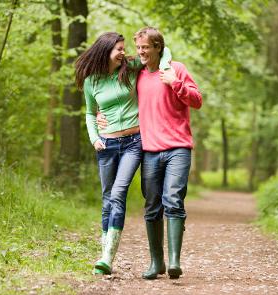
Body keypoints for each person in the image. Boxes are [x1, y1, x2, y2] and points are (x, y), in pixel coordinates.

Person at [98, 27, 202, 280]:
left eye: (146, 47)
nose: (141, 52)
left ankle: (175, 261)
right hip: (149, 150)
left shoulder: (176, 69)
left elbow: (197, 100)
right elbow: (117, 98)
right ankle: (157, 263)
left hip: (178, 147)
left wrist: (175, 83)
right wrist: (102, 115)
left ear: (158, 47)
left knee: (173, 199)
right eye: (139, 47)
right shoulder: (137, 74)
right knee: (152, 206)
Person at [75, 32, 171, 275]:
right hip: (106, 145)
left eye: (123, 48)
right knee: (108, 197)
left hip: (133, 142)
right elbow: (89, 112)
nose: (123, 52)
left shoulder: (130, 68)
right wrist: (94, 137)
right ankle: (105, 247)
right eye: (118, 48)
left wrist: (167, 65)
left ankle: (107, 256)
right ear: (105, 50)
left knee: (117, 194)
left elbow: (162, 53)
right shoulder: (91, 81)